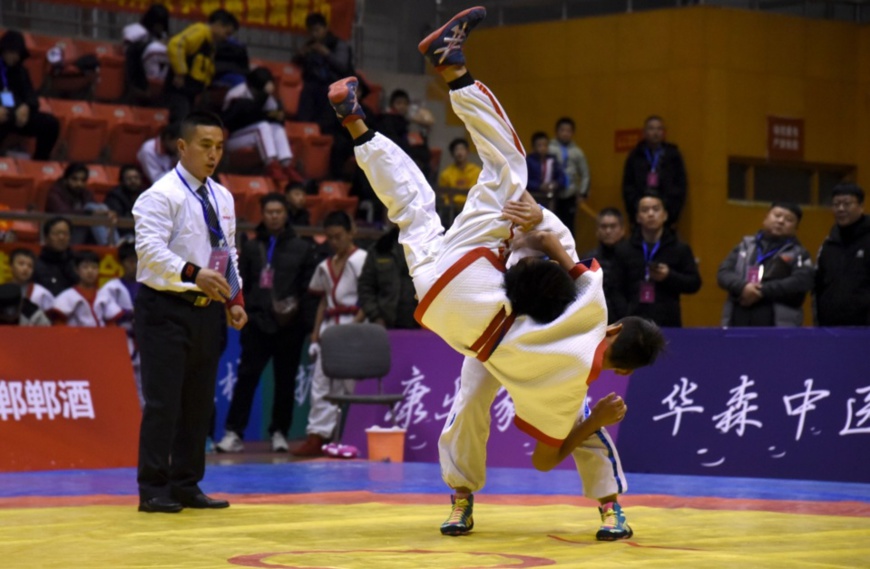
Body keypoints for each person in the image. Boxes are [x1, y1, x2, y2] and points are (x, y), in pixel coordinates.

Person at [327, 4, 664, 532]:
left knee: (507, 169)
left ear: (618, 327)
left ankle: (451, 71)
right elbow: (544, 459)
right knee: (414, 216)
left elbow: (555, 245)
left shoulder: (590, 303)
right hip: (448, 304)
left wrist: (533, 224)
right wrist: (536, 226)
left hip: (475, 289)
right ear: (621, 370)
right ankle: (357, 125)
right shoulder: (574, 384)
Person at [132, 110, 248, 514]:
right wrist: (193, 273)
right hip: (165, 307)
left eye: (219, 147)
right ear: (182, 147)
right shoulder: (160, 195)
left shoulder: (223, 196)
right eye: (205, 146)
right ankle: (152, 488)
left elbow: (228, 251)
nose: (213, 154)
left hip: (207, 310)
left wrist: (234, 300)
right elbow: (149, 253)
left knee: (199, 403)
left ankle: (186, 483)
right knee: (165, 402)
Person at [216, 193, 317, 454]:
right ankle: (233, 433)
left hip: (289, 327)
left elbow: (308, 290)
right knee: (246, 379)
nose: (273, 216)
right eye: (269, 211)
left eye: (278, 211)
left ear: (286, 214)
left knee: (285, 382)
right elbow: (242, 283)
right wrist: (245, 316)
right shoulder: (250, 247)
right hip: (257, 324)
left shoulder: (302, 248)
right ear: (263, 214)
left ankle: (280, 433)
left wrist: (302, 325)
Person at [292, 210, 367, 457]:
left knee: (353, 384)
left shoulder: (362, 260)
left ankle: (359, 434)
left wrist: (353, 327)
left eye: (339, 236)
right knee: (321, 383)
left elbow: (368, 298)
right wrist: (315, 335)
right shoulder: (325, 265)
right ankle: (317, 436)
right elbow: (323, 301)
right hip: (329, 327)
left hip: (354, 325)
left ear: (351, 233)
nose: (335, 242)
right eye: (330, 238)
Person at [717, 203, 813, 327]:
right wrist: (743, 287)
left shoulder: (799, 254)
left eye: (789, 219)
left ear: (796, 228)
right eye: (777, 215)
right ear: (766, 218)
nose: (781, 221)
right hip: (737, 322)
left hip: (778, 327)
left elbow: (802, 281)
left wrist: (761, 291)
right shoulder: (745, 246)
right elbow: (723, 273)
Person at [613, 192, 701, 327]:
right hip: (632, 323)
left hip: (668, 323)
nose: (650, 214)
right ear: (637, 217)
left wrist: (669, 276)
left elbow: (694, 283)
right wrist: (625, 316)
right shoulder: (624, 249)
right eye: (645, 210)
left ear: (665, 215)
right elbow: (615, 289)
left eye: (656, 209)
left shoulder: (679, 248)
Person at [222, 67, 301, 184]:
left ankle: (286, 165)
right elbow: (236, 119)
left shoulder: (268, 98)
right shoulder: (237, 94)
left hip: (253, 136)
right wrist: (263, 105)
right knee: (263, 126)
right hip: (232, 139)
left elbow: (278, 119)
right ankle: (271, 165)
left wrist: (277, 115)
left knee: (276, 127)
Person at [164, 9, 239, 122]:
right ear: (218, 24)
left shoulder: (211, 44)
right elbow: (176, 44)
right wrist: (180, 73)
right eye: (226, 33)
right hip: (178, 91)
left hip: (190, 94)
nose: (226, 38)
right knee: (179, 124)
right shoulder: (200, 31)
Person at [0, 30, 61, 160]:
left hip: (18, 115)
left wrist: (26, 107)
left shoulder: (21, 71)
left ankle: (39, 162)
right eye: (10, 52)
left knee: (50, 124)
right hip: (3, 114)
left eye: (17, 53)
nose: (14, 57)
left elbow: (30, 95)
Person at [95, 242, 143, 406]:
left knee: (145, 390)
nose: (134, 265)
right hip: (121, 342)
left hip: (146, 342)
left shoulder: (150, 286)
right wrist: (128, 314)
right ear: (122, 263)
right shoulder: (111, 288)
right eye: (130, 261)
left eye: (137, 260)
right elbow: (102, 311)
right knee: (120, 385)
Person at [815, 183, 870, 326]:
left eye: (847, 204)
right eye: (836, 204)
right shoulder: (828, 244)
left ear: (861, 206)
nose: (840, 209)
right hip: (830, 327)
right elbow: (819, 285)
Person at [293, 12, 356, 134]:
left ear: (325, 28)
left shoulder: (338, 44)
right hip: (313, 87)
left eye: (317, 30)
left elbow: (342, 66)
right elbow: (297, 62)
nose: (314, 34)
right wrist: (302, 55)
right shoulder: (310, 45)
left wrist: (326, 53)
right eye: (311, 31)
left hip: (334, 86)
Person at [622, 115, 687, 226]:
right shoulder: (635, 155)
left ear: (664, 132)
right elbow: (628, 185)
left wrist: (670, 209)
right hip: (641, 212)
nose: (655, 132)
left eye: (659, 129)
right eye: (651, 128)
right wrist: (636, 207)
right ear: (644, 132)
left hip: (666, 213)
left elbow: (680, 185)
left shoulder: (673, 155)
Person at [358, 225, 419, 329]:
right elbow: (366, 287)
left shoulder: (428, 247)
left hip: (420, 325)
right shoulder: (380, 248)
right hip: (385, 324)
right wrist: (375, 316)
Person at [45, 163, 119, 246]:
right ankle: (109, 245)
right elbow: (64, 214)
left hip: (84, 231)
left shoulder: (86, 193)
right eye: (74, 179)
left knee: (101, 208)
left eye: (82, 180)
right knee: (92, 208)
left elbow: (96, 211)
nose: (79, 183)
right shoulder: (55, 193)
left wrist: (106, 213)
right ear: (65, 179)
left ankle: (112, 243)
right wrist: (90, 213)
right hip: (63, 232)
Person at [376, 88, 433, 180]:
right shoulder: (386, 120)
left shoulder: (409, 122)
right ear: (392, 105)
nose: (402, 106)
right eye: (399, 103)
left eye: (405, 103)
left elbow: (429, 121)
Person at [583, 208, 627, 323]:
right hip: (595, 319)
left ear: (622, 230)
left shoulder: (633, 257)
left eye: (613, 226)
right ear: (597, 231)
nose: (608, 231)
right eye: (603, 227)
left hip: (627, 319)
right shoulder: (588, 260)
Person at [549, 117, 591, 231]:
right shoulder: (550, 149)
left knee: (569, 226)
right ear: (557, 131)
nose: (565, 134)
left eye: (568, 131)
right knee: (552, 224)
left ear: (572, 133)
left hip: (570, 194)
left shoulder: (577, 152)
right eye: (562, 130)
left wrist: (582, 193)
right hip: (553, 193)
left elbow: (585, 173)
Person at [123, 3, 170, 102]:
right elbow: (130, 52)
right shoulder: (137, 31)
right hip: (136, 70)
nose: (160, 27)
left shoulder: (162, 35)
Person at [48, 250, 104, 326]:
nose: (90, 271)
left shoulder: (104, 295)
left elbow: (112, 324)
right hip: (75, 336)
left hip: (102, 336)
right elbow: (59, 325)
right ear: (77, 270)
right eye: (85, 267)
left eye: (94, 267)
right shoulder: (67, 296)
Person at [33, 216, 78, 296]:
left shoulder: (76, 263)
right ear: (46, 237)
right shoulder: (36, 265)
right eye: (56, 233)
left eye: (65, 233)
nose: (61, 237)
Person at [438, 137, 482, 213]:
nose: (459, 152)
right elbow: (444, 196)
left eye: (462, 149)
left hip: (472, 208)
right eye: (456, 150)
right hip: (451, 210)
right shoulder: (446, 173)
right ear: (452, 153)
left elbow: (478, 193)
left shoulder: (477, 171)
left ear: (467, 151)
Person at [105, 165, 146, 238]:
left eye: (136, 178)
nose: (133, 181)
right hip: (122, 235)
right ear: (122, 181)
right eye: (129, 179)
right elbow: (119, 218)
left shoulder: (146, 196)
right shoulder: (115, 196)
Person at [525, 131, 564, 210]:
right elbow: (525, 180)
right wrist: (539, 186)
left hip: (549, 196)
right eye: (539, 145)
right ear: (533, 147)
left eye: (545, 145)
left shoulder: (552, 160)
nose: (543, 148)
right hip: (533, 196)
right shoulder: (528, 161)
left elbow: (562, 177)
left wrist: (555, 184)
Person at [8, 247, 54, 312]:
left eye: (30, 266)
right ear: (11, 266)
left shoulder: (42, 293)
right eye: (21, 263)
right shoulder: (2, 291)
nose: (26, 268)